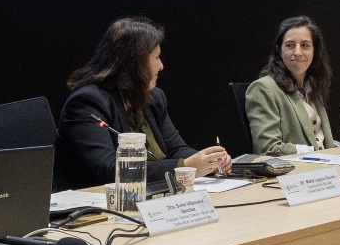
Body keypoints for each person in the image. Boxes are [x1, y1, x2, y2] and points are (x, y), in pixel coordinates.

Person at [54, 17, 229, 191]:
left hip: (149, 195)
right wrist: (186, 166)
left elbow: (177, 149)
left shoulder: (154, 97)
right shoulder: (87, 103)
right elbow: (110, 169)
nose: (161, 66)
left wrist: (209, 162)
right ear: (135, 63)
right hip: (95, 205)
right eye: (157, 57)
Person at [246, 16, 337, 156]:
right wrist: (311, 151)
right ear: (279, 50)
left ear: (315, 51)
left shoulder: (313, 87)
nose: (298, 52)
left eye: (305, 45)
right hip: (292, 174)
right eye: (290, 45)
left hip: (325, 170)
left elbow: (322, 140)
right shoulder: (263, 88)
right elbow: (267, 149)